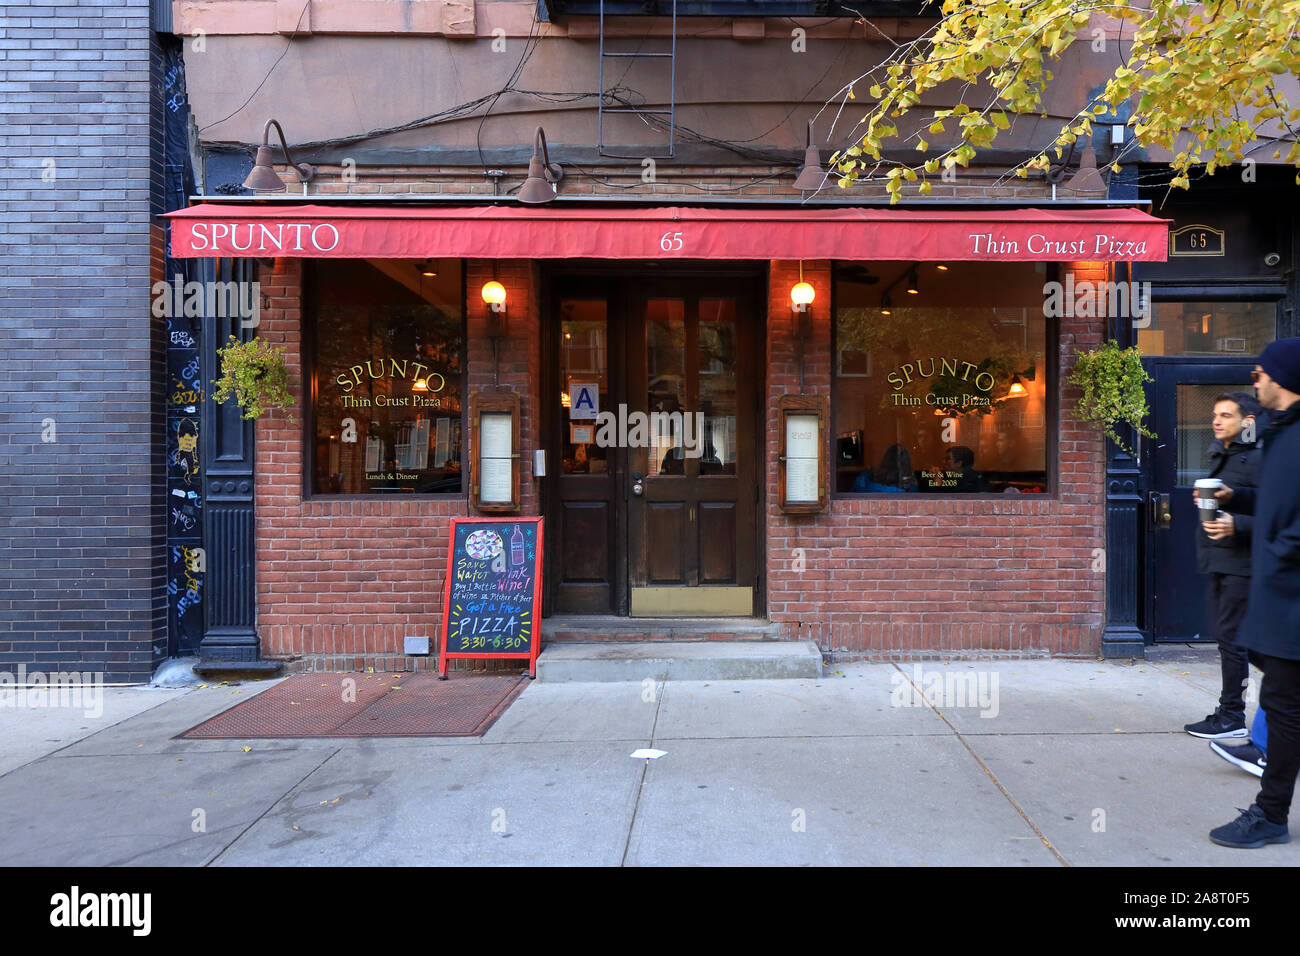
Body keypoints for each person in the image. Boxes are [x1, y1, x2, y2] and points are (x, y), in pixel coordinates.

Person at [1207, 338, 1300, 849]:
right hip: (1281, 591)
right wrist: (1238, 495)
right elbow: (1278, 501)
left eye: (1262, 373)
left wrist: (1280, 555)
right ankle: (1269, 811)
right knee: (1284, 702)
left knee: (1284, 703)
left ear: (1283, 379)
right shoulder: (1280, 434)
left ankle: (1269, 815)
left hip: (1290, 594)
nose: (1255, 381)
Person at [1184, 391, 1260, 740]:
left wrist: (1237, 522)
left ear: (1248, 422)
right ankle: (1233, 711)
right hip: (1220, 556)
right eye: (1215, 414)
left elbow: (1277, 512)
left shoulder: (1260, 457)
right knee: (1231, 638)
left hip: (1243, 561)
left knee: (1233, 639)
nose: (1216, 420)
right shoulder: (1222, 451)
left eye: (1226, 415)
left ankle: (1231, 716)